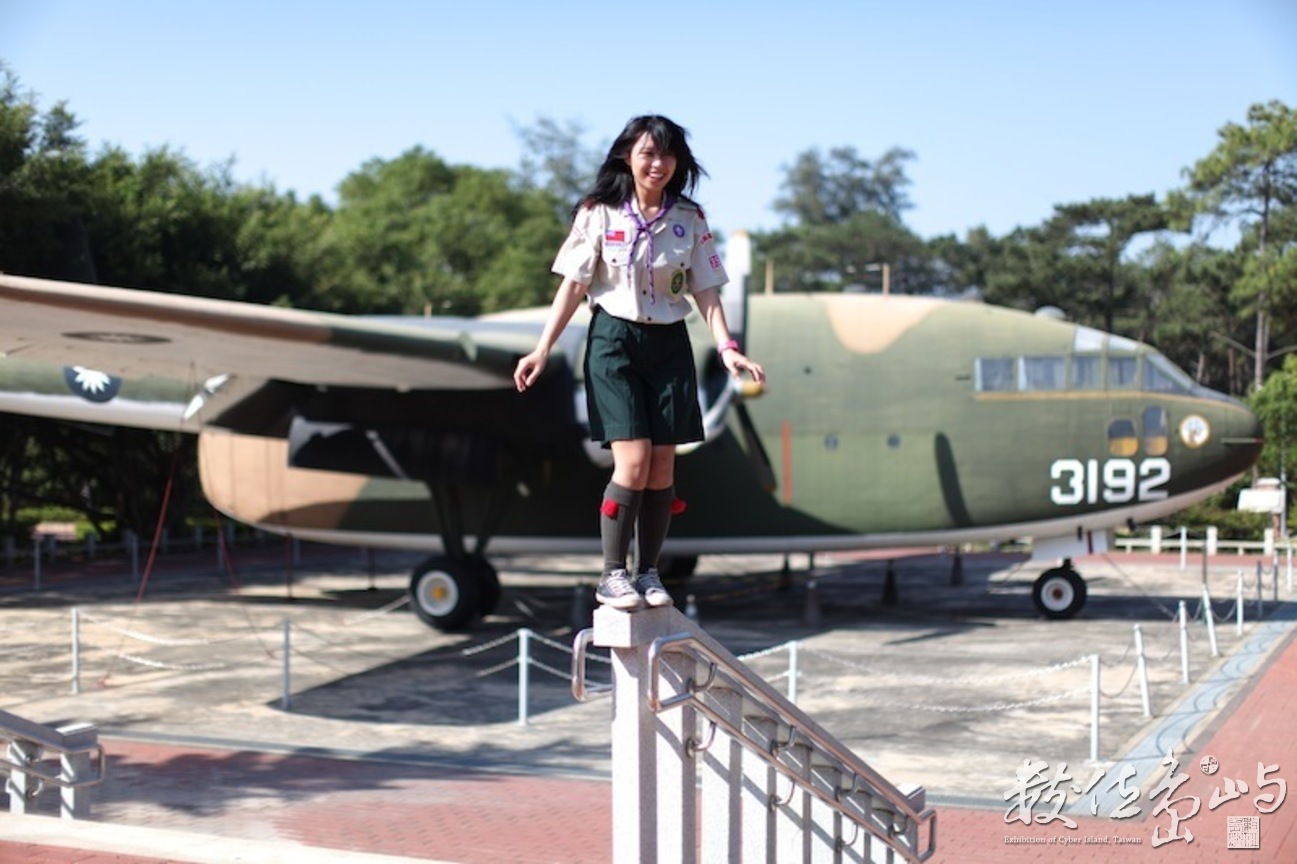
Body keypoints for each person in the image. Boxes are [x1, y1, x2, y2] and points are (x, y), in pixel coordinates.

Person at [513, 114, 764, 611]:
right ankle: (613, 573)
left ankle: (648, 572)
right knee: (632, 461)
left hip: (669, 343)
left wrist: (728, 348)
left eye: (668, 155)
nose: (658, 164)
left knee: (663, 464)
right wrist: (542, 348)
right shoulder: (598, 213)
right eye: (648, 153)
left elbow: (706, 291)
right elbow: (573, 286)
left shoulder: (689, 218)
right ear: (627, 157)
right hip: (614, 341)